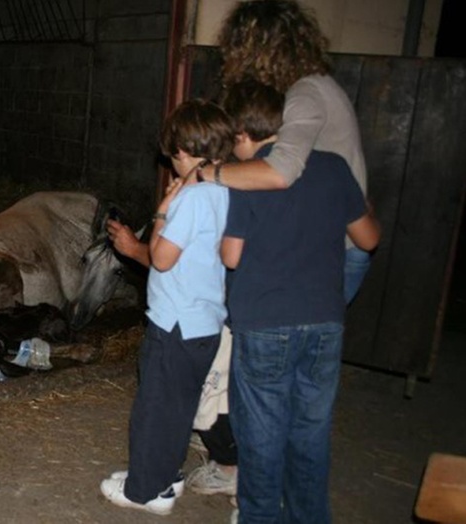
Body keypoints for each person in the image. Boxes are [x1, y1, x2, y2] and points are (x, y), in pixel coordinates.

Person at [220, 79, 381, 523]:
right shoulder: (333, 168)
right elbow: (368, 238)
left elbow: (231, 257)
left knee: (261, 436)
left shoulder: (247, 178)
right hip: (325, 322)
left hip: (266, 322)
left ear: (242, 135)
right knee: (310, 433)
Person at [98, 99, 233, 516]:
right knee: (176, 408)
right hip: (202, 322)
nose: (172, 162)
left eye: (174, 153)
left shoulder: (191, 200)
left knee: (155, 410)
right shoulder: (226, 190)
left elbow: (161, 258)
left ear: (184, 151)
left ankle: (146, 491)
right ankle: (164, 476)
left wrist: (161, 211)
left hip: (175, 324)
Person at [193, 0, 372, 303]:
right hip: (327, 243)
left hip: (333, 252)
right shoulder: (310, 87)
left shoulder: (306, 94)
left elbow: (280, 172)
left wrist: (209, 172)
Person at [107, 221, 239, 500]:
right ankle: (165, 475)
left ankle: (230, 467)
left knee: (207, 398)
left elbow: (170, 260)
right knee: (184, 401)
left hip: (196, 316)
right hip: (205, 313)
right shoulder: (215, 192)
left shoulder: (201, 196)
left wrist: (133, 248)